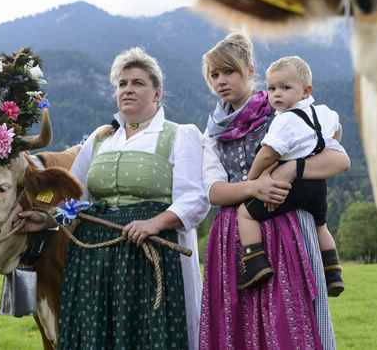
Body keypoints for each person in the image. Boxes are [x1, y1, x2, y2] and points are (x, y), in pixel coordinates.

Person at [199, 33, 350, 350]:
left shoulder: (282, 113)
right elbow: (213, 192)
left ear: (250, 71)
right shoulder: (212, 132)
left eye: (230, 72)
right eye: (215, 74)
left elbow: (337, 158)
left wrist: (289, 170)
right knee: (236, 324)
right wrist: (254, 186)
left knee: (289, 319)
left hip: (287, 225)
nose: (222, 81)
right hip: (233, 233)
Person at [58, 47, 209, 350]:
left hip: (151, 253)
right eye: (122, 83)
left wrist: (155, 223)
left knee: (148, 337)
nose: (128, 89)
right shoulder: (100, 139)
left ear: (157, 93)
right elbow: (73, 196)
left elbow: (195, 198)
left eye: (138, 83)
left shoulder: (179, 134)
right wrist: (49, 217)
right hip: (95, 260)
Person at [236, 56, 345, 296]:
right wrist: (326, 146)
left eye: (285, 88)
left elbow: (267, 155)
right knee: (320, 224)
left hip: (290, 187)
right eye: (272, 88)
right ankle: (333, 270)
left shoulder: (284, 121)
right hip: (317, 186)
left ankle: (254, 261)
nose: (277, 94)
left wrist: (251, 182)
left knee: (245, 214)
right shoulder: (324, 112)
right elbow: (337, 131)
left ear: (306, 91)